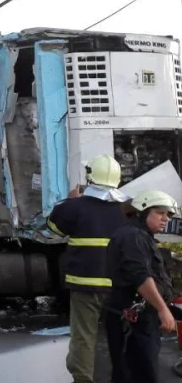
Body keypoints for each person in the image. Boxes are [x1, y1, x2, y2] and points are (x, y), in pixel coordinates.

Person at [47, 154, 128, 383]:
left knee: (84, 337)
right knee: (120, 337)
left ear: (90, 177)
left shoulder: (76, 206)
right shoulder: (125, 210)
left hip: (85, 285)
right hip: (118, 286)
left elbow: (54, 227)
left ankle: (83, 379)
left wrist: (70, 200)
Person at [105, 190, 178, 383]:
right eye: (160, 213)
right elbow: (140, 277)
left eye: (168, 215)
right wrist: (163, 310)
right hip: (134, 320)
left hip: (140, 317)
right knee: (139, 374)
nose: (166, 219)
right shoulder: (133, 237)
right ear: (144, 211)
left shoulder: (141, 236)